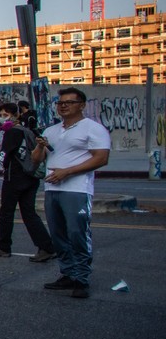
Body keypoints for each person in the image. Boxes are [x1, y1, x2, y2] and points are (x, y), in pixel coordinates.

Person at [35, 88, 111, 299]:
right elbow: (36, 159)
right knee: (58, 235)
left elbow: (101, 158)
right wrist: (40, 148)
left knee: (77, 233)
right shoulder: (51, 131)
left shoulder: (93, 129)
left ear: (82, 105)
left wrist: (67, 172)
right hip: (52, 189)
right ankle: (67, 273)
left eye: (69, 102)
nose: (63, 106)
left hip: (77, 189)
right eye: (60, 103)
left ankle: (82, 279)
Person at [0, 103, 55, 262]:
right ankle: (46, 246)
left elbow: (5, 156)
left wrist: (4, 165)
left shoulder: (12, 133)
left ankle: (3, 246)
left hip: (14, 177)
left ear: (15, 115)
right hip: (30, 176)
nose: (2, 118)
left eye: (5, 114)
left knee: (6, 212)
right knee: (29, 213)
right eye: (0, 114)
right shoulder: (26, 131)